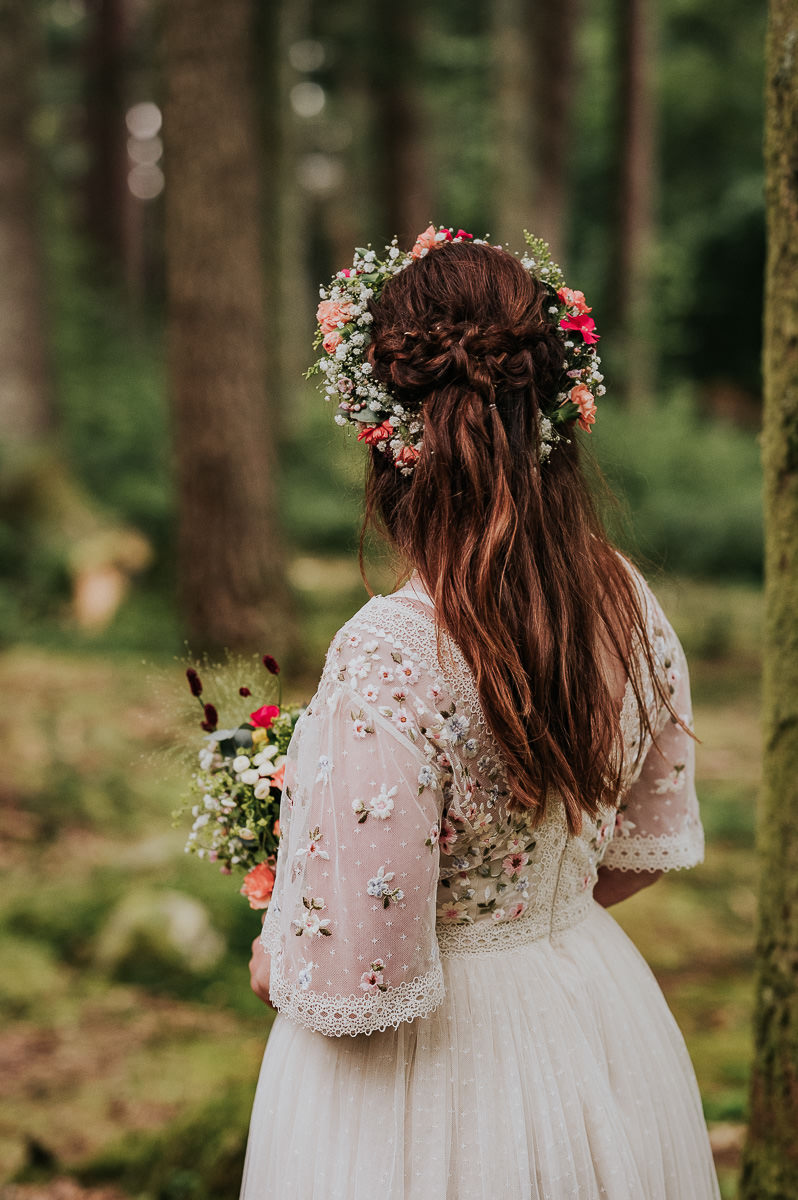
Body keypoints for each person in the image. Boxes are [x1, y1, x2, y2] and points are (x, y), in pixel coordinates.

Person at [240, 227, 721, 1199]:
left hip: (437, 1084)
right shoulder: (624, 599)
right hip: (594, 1015)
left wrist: (273, 951)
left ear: (387, 437)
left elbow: (355, 982)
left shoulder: (388, 653)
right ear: (547, 406)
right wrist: (535, 920)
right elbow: (640, 848)